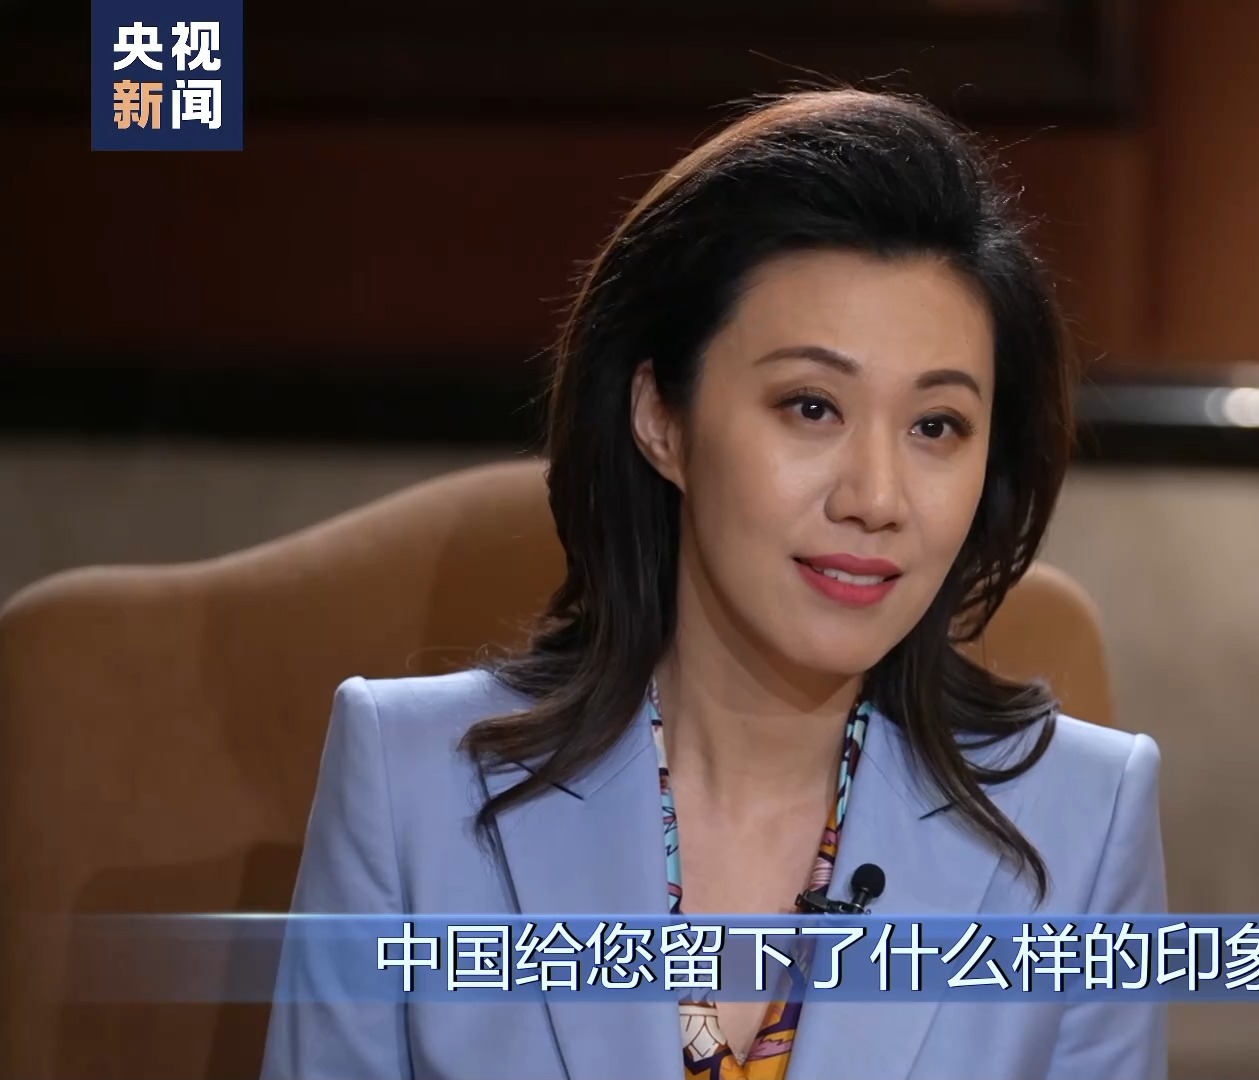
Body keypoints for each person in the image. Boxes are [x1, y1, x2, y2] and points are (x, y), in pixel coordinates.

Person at [261, 89, 1166, 1080]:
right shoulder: (409, 785)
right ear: (663, 418)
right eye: (811, 406)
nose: (876, 498)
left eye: (936, 426)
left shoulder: (1084, 819)